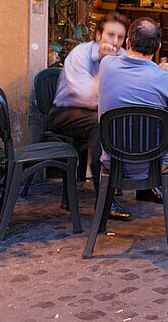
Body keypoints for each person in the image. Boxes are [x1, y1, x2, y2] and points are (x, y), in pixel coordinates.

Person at [97, 17, 168, 221]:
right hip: (154, 163)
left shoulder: (107, 65)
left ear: (127, 43)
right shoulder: (165, 79)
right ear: (159, 47)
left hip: (113, 160)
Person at [46, 11, 132, 220]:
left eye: (120, 37)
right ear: (97, 35)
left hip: (100, 112)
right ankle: (104, 198)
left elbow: (128, 91)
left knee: (133, 119)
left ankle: (145, 185)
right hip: (67, 112)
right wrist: (106, 64)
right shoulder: (80, 54)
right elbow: (86, 96)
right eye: (110, 35)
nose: (115, 41)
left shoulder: (121, 56)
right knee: (102, 125)